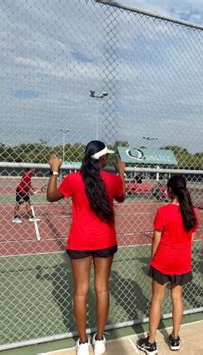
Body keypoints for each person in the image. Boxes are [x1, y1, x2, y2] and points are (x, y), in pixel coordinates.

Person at [46, 141, 125, 355]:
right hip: (105, 241)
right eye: (106, 156)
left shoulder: (73, 179)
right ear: (103, 159)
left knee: (80, 291)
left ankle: (82, 343)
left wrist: (54, 171)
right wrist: (121, 173)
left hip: (80, 240)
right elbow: (121, 196)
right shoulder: (112, 180)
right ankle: (99, 339)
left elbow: (51, 196)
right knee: (102, 288)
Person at [137, 175, 198, 354]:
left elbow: (156, 240)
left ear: (169, 190)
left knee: (157, 299)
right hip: (182, 261)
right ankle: (175, 338)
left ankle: (151, 341)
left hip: (163, 261)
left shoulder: (163, 211)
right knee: (177, 298)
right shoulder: (191, 212)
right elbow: (190, 239)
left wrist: (153, 260)